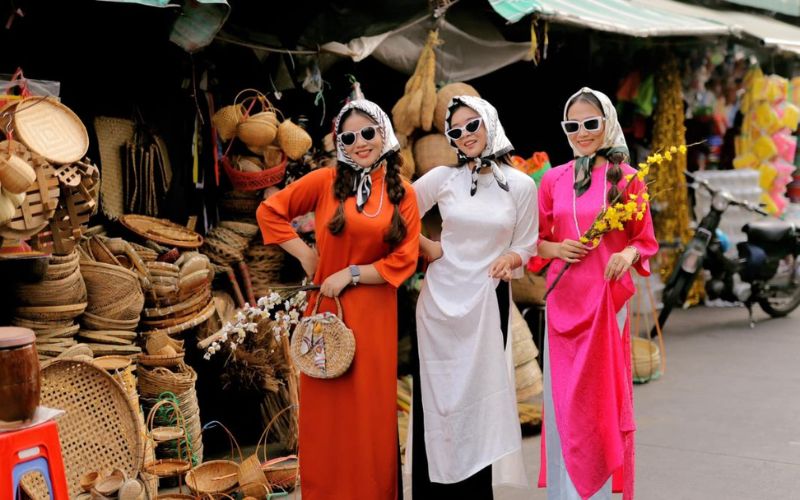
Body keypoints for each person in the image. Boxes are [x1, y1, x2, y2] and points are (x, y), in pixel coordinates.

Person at [256, 99, 420, 500]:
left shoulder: (404, 194)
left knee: (369, 413)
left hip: (374, 314)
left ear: (384, 133)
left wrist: (349, 274)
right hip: (327, 314)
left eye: (368, 132)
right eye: (349, 136)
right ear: (340, 143)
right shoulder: (326, 181)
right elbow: (269, 211)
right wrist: (306, 253)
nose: (360, 142)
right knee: (326, 413)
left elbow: (405, 257)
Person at [409, 95, 538, 498]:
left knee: (478, 399)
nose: (464, 136)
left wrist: (511, 257)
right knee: (438, 399)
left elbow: (528, 245)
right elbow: (393, 214)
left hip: (486, 302)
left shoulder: (519, 183)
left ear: (490, 123)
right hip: (438, 305)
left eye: (472, 125)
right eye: (456, 130)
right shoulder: (443, 178)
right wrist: (429, 248)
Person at [536, 87, 658, 500]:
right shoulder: (553, 179)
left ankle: (599, 493)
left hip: (606, 305)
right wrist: (557, 248)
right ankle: (564, 493)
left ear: (607, 123)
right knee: (564, 406)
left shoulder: (628, 180)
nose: (583, 132)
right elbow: (535, 242)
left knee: (600, 404)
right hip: (562, 306)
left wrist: (626, 252)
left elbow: (645, 240)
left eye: (591, 123)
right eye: (574, 126)